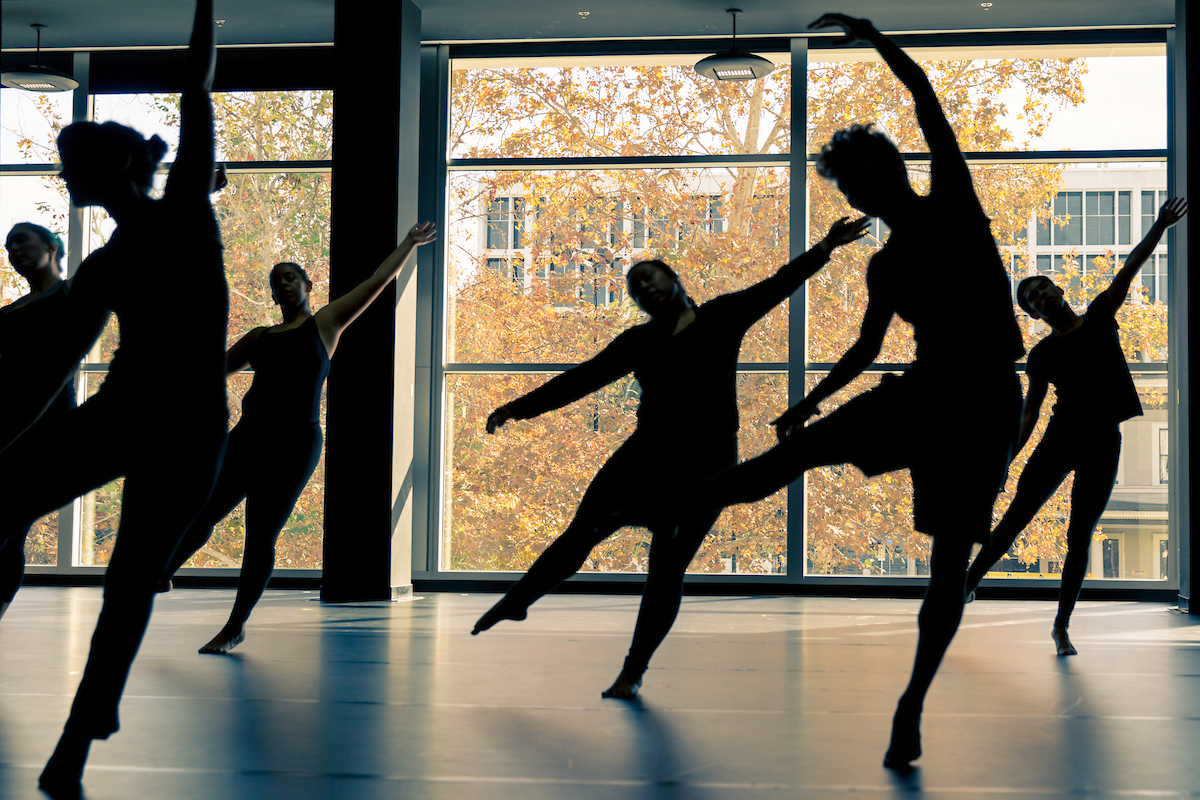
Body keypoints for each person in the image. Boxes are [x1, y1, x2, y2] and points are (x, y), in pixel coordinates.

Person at [657, 13, 1026, 769]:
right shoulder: (881, 266)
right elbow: (865, 349)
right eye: (853, 184)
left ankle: (911, 706)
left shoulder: (953, 205)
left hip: (985, 399)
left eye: (871, 174)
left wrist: (873, 34)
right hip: (926, 392)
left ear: (895, 167)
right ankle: (659, 510)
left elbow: (926, 99)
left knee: (949, 563)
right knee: (777, 468)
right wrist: (806, 405)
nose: (865, 189)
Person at [472, 215, 870, 699]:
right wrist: (517, 408)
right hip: (646, 453)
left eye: (650, 275)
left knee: (667, 566)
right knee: (585, 528)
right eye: (636, 285)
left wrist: (826, 245)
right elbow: (581, 380)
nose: (643, 285)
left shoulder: (723, 316)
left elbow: (777, 285)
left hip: (706, 464)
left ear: (677, 281)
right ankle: (519, 599)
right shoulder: (638, 342)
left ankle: (632, 670)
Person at [0, 1, 228, 795]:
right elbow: (55, 366)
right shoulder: (109, 262)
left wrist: (206, 9)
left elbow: (196, 92)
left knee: (128, 583)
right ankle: (80, 730)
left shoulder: (187, 211)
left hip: (180, 425)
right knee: (25, 514)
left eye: (72, 166)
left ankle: (77, 738)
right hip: (147, 416)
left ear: (110, 171)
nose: (63, 177)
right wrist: (8, 455)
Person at [161, 221, 437, 655]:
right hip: (248, 438)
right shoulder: (259, 338)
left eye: (291, 277)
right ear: (272, 295)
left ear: (308, 285)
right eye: (276, 282)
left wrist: (408, 244)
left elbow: (378, 280)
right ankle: (162, 573)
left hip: (294, 445)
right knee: (202, 513)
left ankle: (235, 625)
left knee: (260, 537)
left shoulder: (326, 324)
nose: (284, 284)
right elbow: (207, 377)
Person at [965, 197, 1188, 655]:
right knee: (1016, 517)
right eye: (1031, 297)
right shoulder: (1042, 355)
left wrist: (1160, 226)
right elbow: (1031, 412)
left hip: (1103, 441)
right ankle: (967, 582)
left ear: (1059, 290)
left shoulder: (1101, 316)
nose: (1040, 295)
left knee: (1079, 534)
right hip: (1060, 439)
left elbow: (1129, 269)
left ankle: (1061, 626)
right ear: (1031, 314)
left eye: (1044, 287)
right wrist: (1007, 460)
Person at [0, 223, 76, 621]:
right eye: (8, 245)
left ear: (51, 246)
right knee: (8, 533)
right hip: (5, 430)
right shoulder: (10, 312)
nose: (13, 249)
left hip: (45, 432)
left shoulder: (72, 295)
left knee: (9, 527)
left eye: (21, 240)